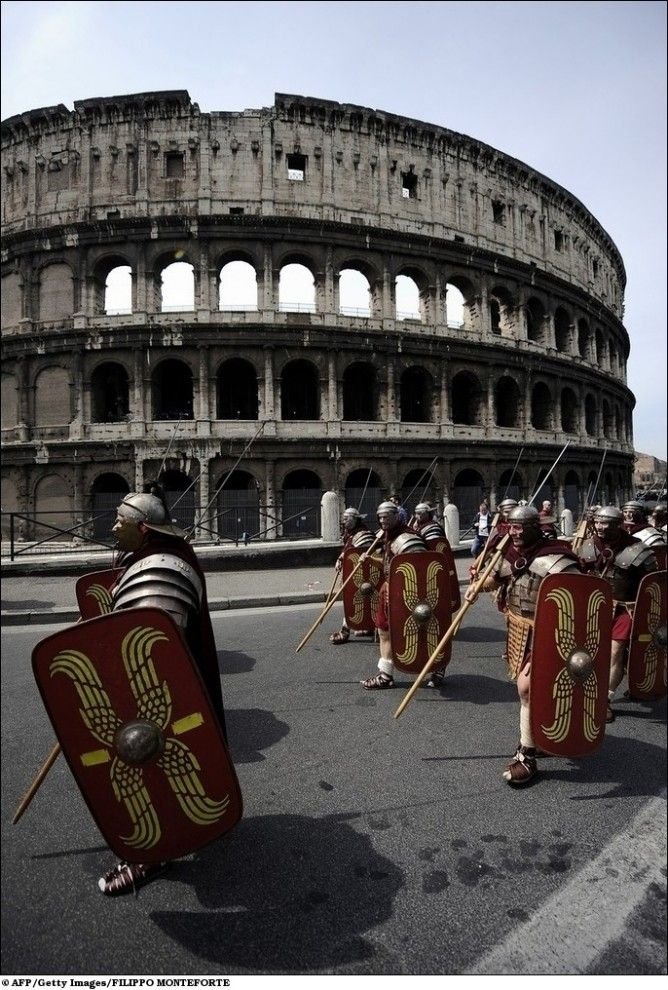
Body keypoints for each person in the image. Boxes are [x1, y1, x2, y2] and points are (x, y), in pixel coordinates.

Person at [98, 482, 228, 896]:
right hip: (163, 688)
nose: (113, 527)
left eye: (121, 521)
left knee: (148, 760)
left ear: (145, 529)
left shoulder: (162, 568)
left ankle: (153, 850)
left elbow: (153, 646)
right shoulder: (155, 556)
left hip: (158, 695)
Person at [467, 505, 582, 786]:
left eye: (519, 528)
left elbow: (578, 597)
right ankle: (542, 735)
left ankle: (526, 753)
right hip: (519, 629)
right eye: (511, 527)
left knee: (526, 689)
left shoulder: (557, 559)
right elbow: (499, 578)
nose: (514, 533)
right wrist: (478, 587)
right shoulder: (513, 554)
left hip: (548, 635)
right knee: (535, 690)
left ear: (534, 528)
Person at [578, 505, 659, 722]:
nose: (600, 527)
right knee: (589, 652)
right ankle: (586, 692)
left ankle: (606, 699)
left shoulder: (637, 549)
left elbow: (653, 585)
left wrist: (644, 611)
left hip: (624, 608)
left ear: (618, 525)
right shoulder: (587, 546)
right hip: (593, 607)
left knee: (615, 651)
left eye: (605, 523)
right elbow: (577, 578)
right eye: (597, 522)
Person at [360, 501, 435, 689]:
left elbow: (419, 568)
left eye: (387, 517)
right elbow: (390, 569)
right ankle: (385, 674)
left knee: (418, 632)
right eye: (380, 517)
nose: (383, 520)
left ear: (396, 516)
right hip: (389, 590)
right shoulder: (388, 537)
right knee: (384, 630)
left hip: (406, 594)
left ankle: (437, 667)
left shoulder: (406, 538)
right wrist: (370, 560)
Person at [329, 506, 375, 644]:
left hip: (362, 575)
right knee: (354, 600)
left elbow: (364, 553)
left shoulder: (363, 535)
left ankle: (345, 630)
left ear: (355, 520)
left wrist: (344, 558)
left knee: (353, 600)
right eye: (343, 518)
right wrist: (341, 558)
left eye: (346, 518)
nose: (344, 521)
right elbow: (348, 551)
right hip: (353, 573)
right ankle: (368, 627)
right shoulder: (350, 533)